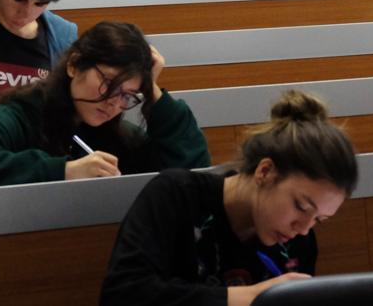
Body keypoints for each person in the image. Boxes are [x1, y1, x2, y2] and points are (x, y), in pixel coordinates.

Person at [100, 90, 358, 305]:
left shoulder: (297, 241)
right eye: (301, 206)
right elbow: (123, 294)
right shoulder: (176, 194)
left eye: (319, 219)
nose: (303, 228)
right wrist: (253, 297)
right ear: (265, 171)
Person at [0, 21, 212, 189]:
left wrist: (151, 89)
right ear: (74, 64)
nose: (113, 103)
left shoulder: (119, 136)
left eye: (128, 95)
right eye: (107, 83)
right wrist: (65, 171)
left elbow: (193, 177)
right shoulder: (20, 114)